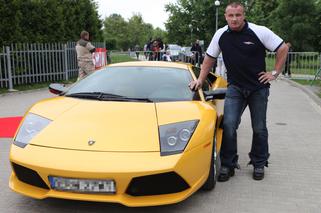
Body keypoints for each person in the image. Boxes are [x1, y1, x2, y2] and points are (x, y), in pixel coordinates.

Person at [189, 2, 289, 181]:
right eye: (230, 15)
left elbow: (283, 48)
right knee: (228, 125)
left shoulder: (260, 31)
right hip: (235, 88)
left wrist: (274, 72)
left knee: (259, 128)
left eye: (238, 15)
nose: (234, 19)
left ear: (244, 16)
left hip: (258, 88)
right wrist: (200, 80)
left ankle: (259, 163)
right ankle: (228, 164)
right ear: (226, 16)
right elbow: (209, 59)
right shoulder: (220, 34)